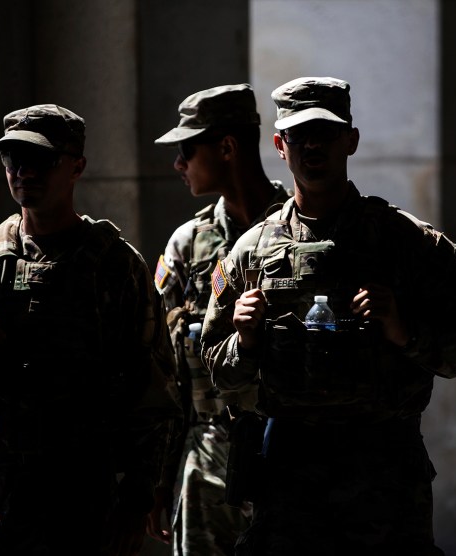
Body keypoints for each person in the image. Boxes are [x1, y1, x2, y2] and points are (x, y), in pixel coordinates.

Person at [200, 77, 456, 555]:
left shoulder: (410, 243)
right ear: (279, 145)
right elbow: (218, 374)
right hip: (288, 477)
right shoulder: (249, 252)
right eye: (299, 134)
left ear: (350, 140)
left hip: (383, 473)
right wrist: (244, 341)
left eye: (326, 132)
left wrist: (404, 331)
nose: (312, 144)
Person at [0, 104, 182, 556]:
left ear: (76, 167)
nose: (23, 171)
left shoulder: (116, 266)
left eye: (41, 160)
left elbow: (153, 393)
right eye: (13, 159)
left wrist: (136, 499)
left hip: (78, 491)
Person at [152, 83, 289, 556]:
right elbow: (165, 376)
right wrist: (158, 481)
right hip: (208, 465)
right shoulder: (188, 246)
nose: (178, 165)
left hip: (291, 461)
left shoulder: (299, 231)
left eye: (186, 150)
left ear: (226, 147)